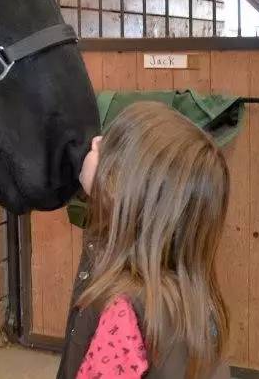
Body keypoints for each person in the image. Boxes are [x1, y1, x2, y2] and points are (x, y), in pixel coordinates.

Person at [57, 101, 232, 379]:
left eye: (109, 150)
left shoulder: (122, 311)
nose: (97, 141)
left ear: (123, 196)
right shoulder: (194, 296)